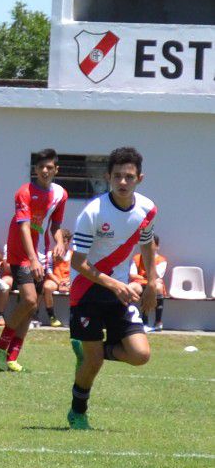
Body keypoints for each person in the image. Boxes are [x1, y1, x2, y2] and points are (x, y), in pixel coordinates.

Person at [67, 147, 157, 430]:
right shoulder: (93, 212)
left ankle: (93, 349)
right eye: (117, 176)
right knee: (92, 364)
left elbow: (146, 243)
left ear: (139, 179)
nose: (122, 182)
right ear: (108, 177)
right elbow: (78, 263)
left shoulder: (147, 209)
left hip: (120, 292)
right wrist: (115, 284)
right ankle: (77, 412)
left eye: (129, 177)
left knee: (140, 355)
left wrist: (152, 281)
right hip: (87, 290)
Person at [0, 148, 68, 372]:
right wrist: (33, 259)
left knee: (30, 307)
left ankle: (12, 356)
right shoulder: (24, 192)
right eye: (41, 167)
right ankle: (0, 346)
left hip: (40, 254)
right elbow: (24, 227)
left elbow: (55, 226)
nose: (45, 170)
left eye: (49, 167)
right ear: (35, 169)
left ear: (56, 170)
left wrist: (60, 242)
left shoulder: (60, 194)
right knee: (30, 301)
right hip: (20, 253)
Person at [128, 234, 167, 331]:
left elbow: (158, 275)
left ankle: (158, 322)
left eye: (152, 244)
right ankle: (140, 322)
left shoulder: (161, 260)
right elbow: (132, 275)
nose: (149, 247)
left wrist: (150, 260)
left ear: (157, 246)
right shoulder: (136, 258)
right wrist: (145, 277)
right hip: (140, 283)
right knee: (131, 287)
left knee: (157, 287)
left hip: (153, 284)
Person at [42, 228, 73, 327]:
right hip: (55, 280)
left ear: (68, 242)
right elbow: (49, 270)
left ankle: (74, 316)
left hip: (69, 281)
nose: (62, 244)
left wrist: (68, 281)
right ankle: (51, 316)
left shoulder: (73, 255)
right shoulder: (51, 254)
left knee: (79, 289)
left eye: (64, 242)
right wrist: (59, 282)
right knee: (47, 287)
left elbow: (76, 271)